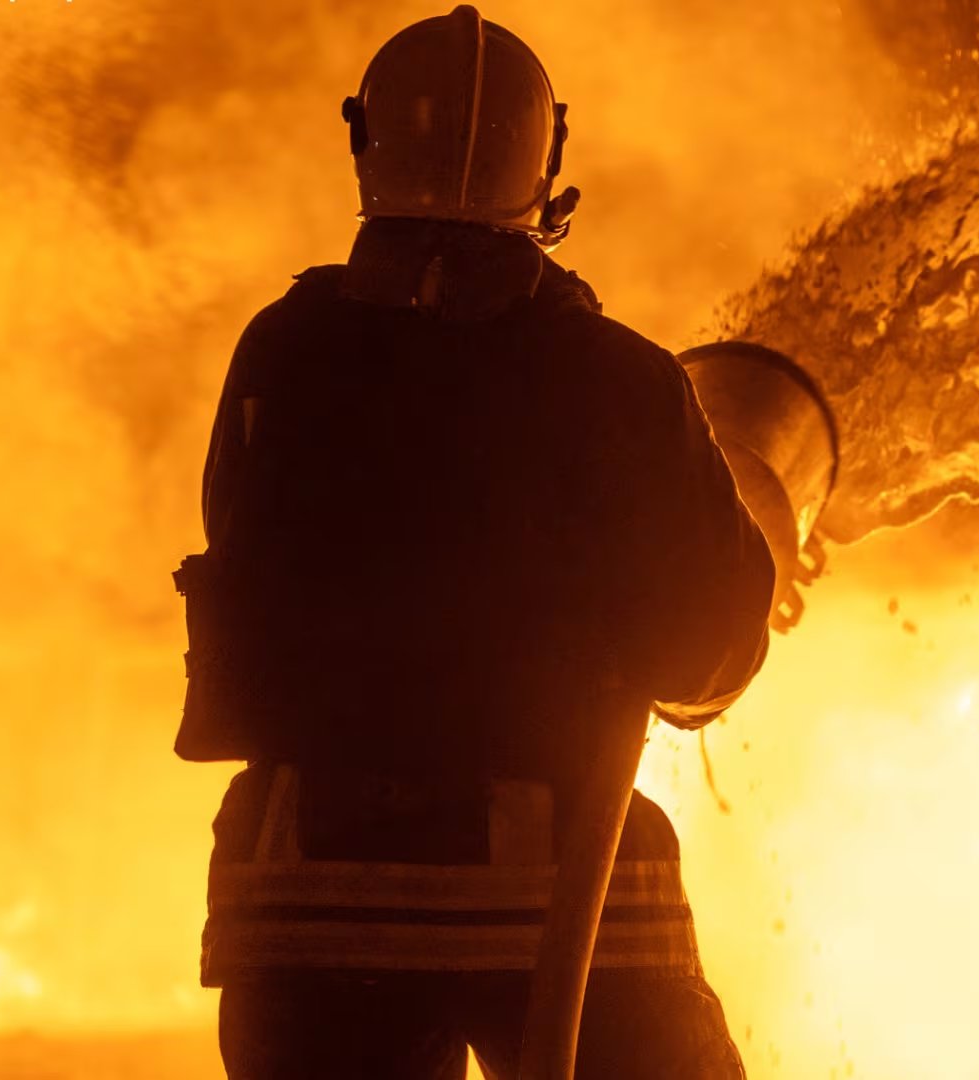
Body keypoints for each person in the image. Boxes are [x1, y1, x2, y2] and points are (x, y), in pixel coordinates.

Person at [171, 6, 775, 1077]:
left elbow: (244, 545)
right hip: (561, 902)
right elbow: (704, 657)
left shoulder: (280, 357)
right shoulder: (620, 382)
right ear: (546, 162)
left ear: (364, 145)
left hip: (301, 900)